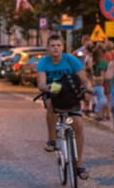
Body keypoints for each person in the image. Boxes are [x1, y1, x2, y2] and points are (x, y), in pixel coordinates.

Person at [37, 34, 91, 179]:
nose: (55, 48)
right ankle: (52, 140)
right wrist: (56, 87)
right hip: (53, 93)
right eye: (53, 45)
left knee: (78, 125)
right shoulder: (43, 62)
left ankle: (79, 166)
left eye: (58, 45)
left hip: (70, 95)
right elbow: (41, 85)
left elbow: (84, 80)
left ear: (63, 47)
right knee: (50, 103)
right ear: (48, 48)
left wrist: (87, 91)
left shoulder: (71, 60)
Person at [87, 44, 110, 121]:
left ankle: (105, 115)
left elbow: (102, 77)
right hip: (102, 83)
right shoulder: (100, 62)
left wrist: (95, 82)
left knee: (105, 100)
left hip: (104, 84)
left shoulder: (102, 63)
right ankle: (103, 115)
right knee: (104, 100)